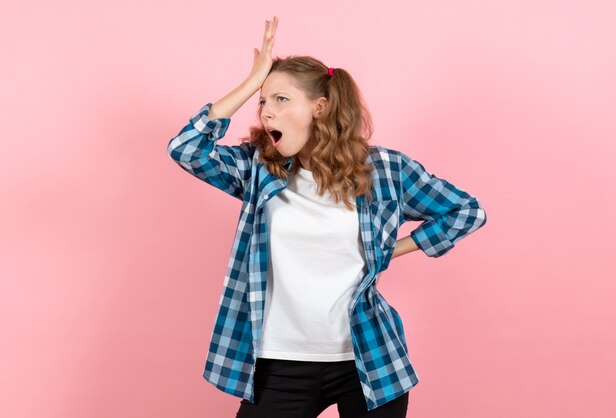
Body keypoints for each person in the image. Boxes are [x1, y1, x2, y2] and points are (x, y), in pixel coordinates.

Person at [166, 16, 487, 418]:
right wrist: (252, 82)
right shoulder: (257, 170)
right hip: (279, 364)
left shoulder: (384, 170)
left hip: (367, 358)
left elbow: (466, 210)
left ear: (319, 108)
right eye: (263, 102)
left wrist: (393, 249)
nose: (266, 113)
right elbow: (186, 148)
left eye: (281, 100)